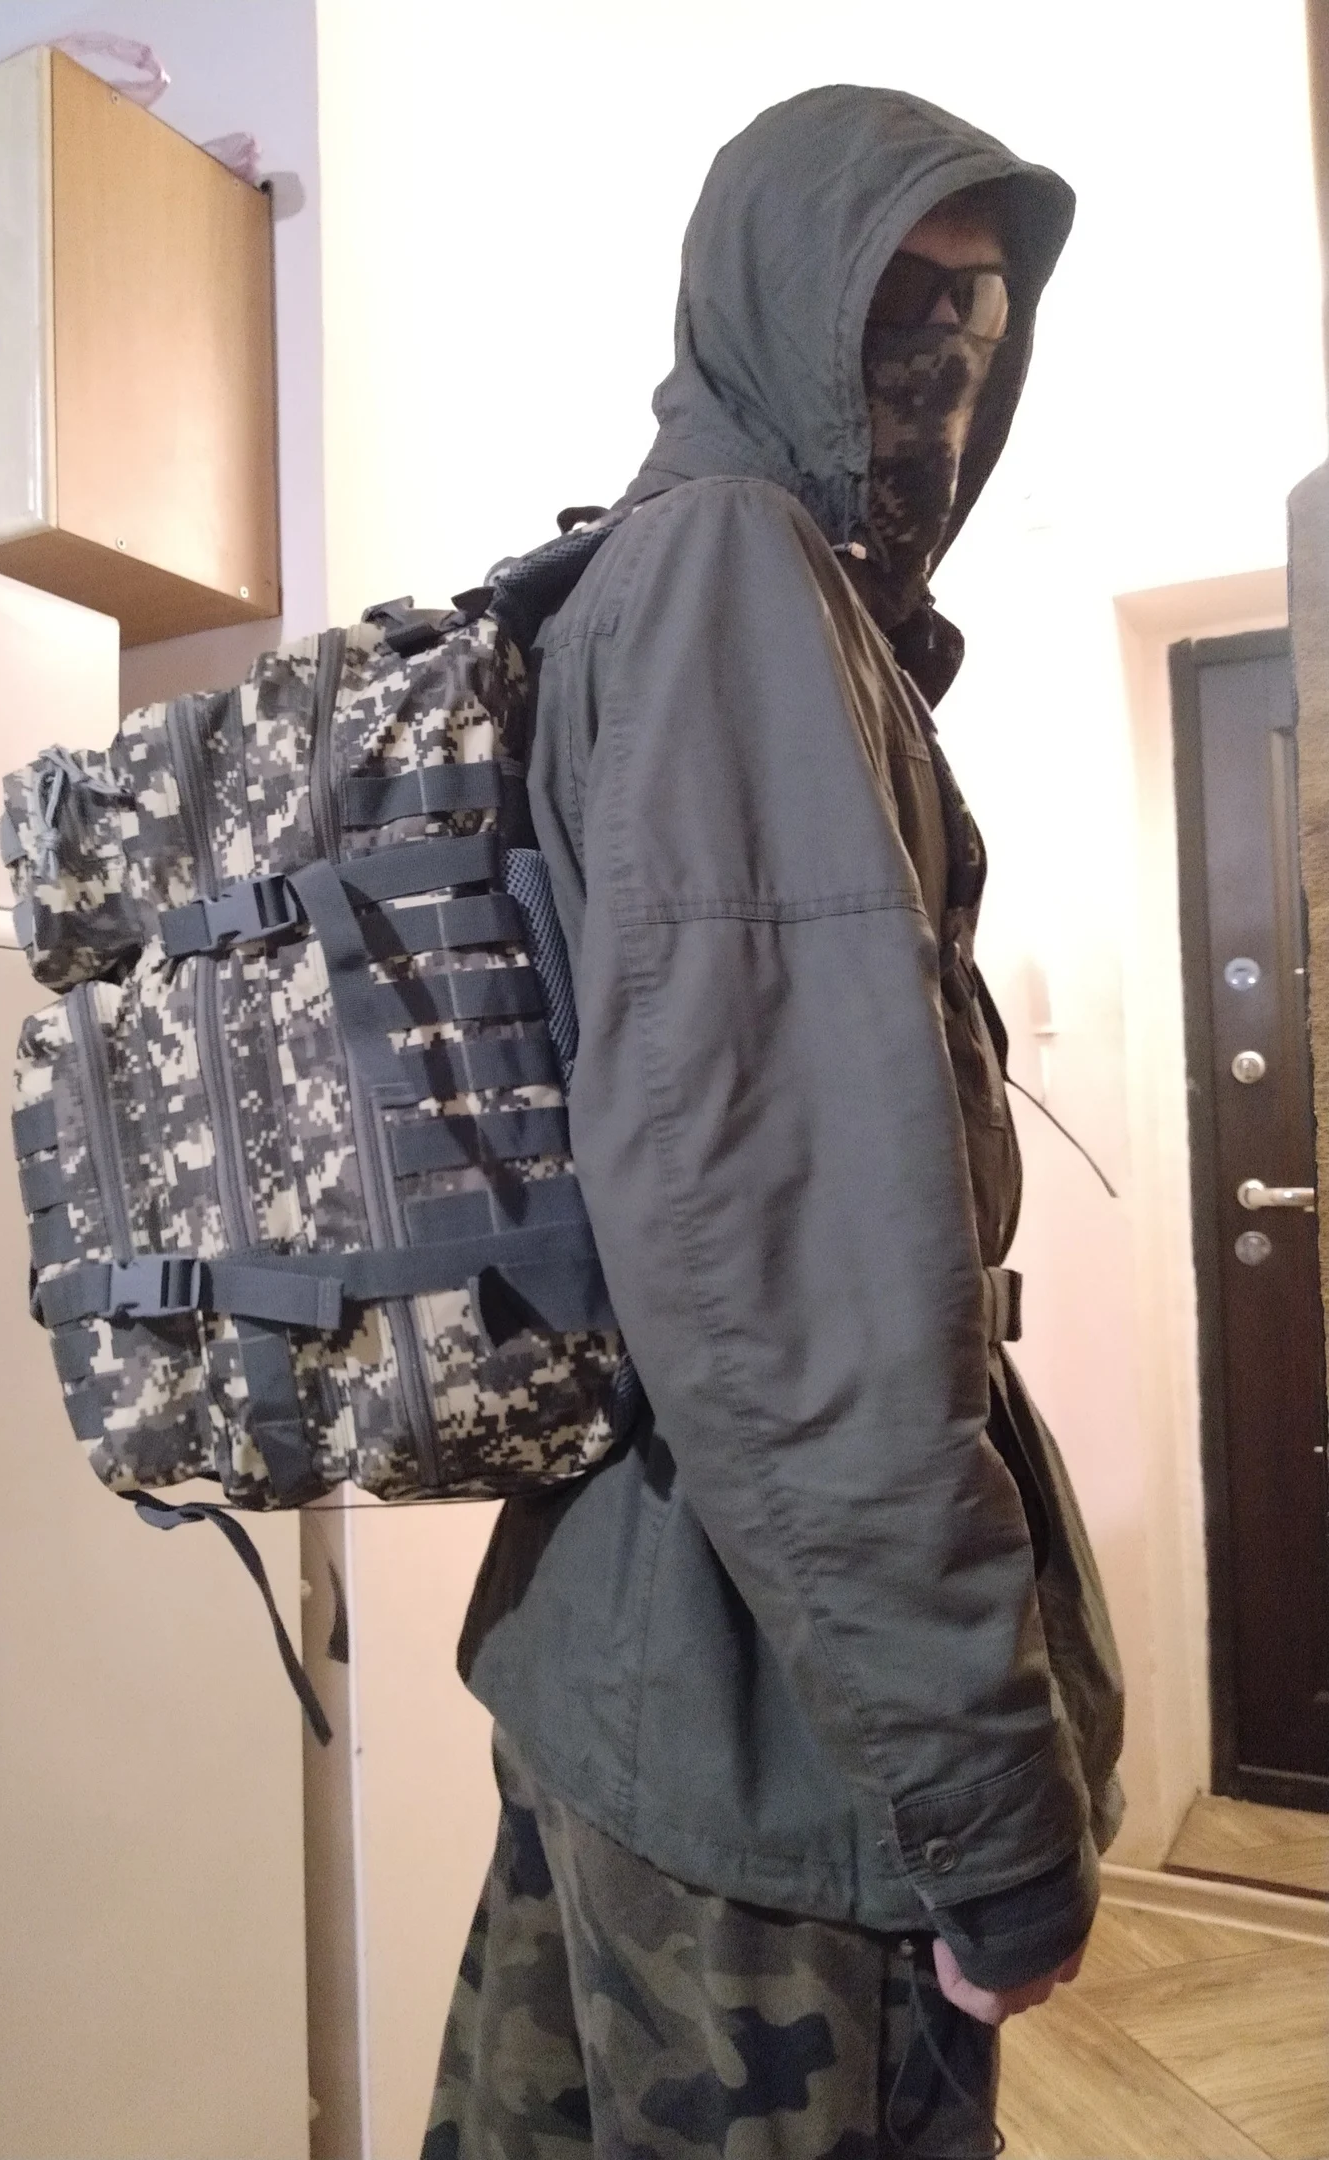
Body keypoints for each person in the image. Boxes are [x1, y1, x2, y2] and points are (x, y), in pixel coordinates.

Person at [422, 83, 1125, 2160]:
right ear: (773, 304)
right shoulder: (736, 574)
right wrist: (985, 1809)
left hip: (636, 1663)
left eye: (982, 312)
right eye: (898, 301)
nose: (946, 361)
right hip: (768, 1736)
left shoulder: (667, 576)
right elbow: (788, 1282)